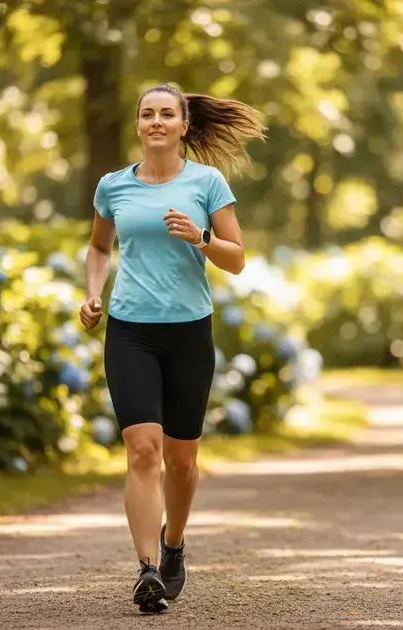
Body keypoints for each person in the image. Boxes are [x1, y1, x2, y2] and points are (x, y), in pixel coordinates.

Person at [78, 83, 265, 613]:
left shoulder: (208, 182)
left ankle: (174, 544)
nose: (156, 121)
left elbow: (237, 259)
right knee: (142, 450)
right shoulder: (113, 186)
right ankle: (147, 570)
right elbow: (98, 246)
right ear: (138, 125)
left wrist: (200, 239)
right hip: (130, 331)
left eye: (166, 114)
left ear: (184, 125)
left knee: (182, 461)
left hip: (188, 333)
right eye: (147, 114)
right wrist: (93, 293)